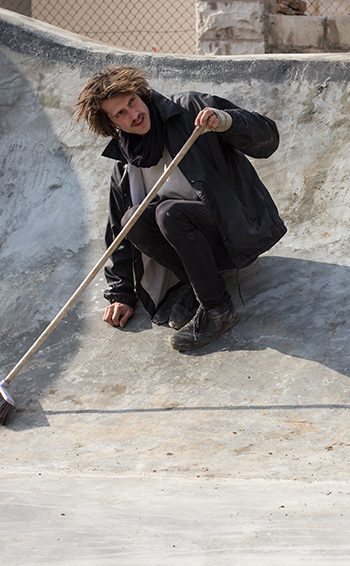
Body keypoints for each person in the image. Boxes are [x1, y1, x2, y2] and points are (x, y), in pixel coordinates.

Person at [73, 65, 286, 351]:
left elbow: (268, 139)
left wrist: (227, 122)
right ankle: (200, 285)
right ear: (111, 124)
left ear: (141, 93)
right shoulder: (126, 163)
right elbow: (117, 235)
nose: (133, 115)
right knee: (132, 219)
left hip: (237, 231)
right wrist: (120, 294)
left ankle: (217, 309)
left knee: (169, 212)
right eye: (120, 114)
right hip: (195, 241)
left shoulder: (188, 108)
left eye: (132, 102)